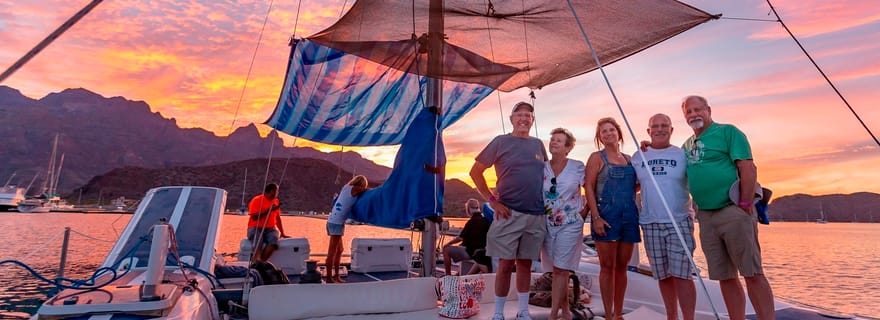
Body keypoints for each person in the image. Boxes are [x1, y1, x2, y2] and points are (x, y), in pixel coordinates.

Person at [680, 95, 775, 320]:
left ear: (709, 110)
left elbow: (747, 167)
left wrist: (744, 204)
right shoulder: (686, 145)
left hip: (733, 211)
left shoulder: (728, 132)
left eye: (697, 109)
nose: (693, 115)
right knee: (725, 276)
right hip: (706, 216)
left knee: (752, 273)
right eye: (688, 112)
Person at [470, 101, 548, 320]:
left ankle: (523, 312)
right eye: (519, 115)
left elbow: (547, 177)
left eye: (528, 115)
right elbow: (475, 172)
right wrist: (492, 201)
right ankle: (498, 313)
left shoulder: (538, 145)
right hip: (508, 213)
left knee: (525, 264)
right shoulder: (500, 141)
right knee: (505, 264)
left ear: (532, 120)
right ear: (511, 119)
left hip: (536, 215)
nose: (524, 118)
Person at [631, 114, 697, 320]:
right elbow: (632, 185)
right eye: (655, 127)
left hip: (679, 221)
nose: (660, 129)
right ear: (648, 131)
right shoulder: (638, 156)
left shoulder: (682, 155)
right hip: (650, 222)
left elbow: (699, 180)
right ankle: (671, 316)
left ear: (671, 130)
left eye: (664, 126)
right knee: (663, 275)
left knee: (682, 275)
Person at [584, 117, 640, 320]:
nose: (608, 134)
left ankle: (618, 313)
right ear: (599, 137)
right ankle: (608, 315)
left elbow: (636, 184)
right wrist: (596, 217)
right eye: (603, 132)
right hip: (606, 216)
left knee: (622, 267)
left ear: (619, 133)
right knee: (607, 267)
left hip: (629, 217)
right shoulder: (596, 158)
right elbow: (588, 187)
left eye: (611, 130)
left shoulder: (629, 159)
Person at [540, 127, 586, 320]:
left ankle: (553, 314)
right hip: (547, 224)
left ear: (568, 147)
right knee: (557, 268)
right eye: (552, 140)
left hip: (570, 223)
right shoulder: (542, 166)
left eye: (559, 140)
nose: (554, 143)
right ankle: (566, 311)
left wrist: (584, 214)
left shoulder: (577, 166)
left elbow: (590, 189)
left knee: (560, 268)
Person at [326, 175, 368, 283]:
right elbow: (366, 190)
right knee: (332, 252)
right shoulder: (355, 189)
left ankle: (335, 276)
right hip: (336, 223)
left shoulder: (346, 187)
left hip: (333, 221)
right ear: (361, 184)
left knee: (339, 250)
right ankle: (329, 278)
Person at [442, 198, 491, 275]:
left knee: (446, 249)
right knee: (461, 246)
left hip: (471, 252)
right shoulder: (486, 220)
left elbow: (461, 238)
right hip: (483, 251)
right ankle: (458, 274)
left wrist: (449, 243)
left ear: (468, 210)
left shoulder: (471, 222)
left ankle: (448, 275)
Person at [247, 183, 289, 261]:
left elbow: (277, 218)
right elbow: (254, 217)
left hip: (270, 229)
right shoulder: (256, 200)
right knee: (258, 240)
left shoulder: (276, 201)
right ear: (270, 191)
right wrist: (268, 210)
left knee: (274, 240)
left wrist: (282, 233)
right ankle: (257, 259)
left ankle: (260, 262)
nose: (277, 194)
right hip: (256, 227)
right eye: (276, 191)